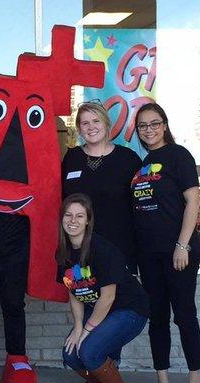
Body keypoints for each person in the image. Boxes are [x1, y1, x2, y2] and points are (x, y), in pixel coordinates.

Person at [132, 103, 200, 383]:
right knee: (157, 318)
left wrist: (182, 245)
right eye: (143, 126)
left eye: (154, 123)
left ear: (164, 125)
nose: (149, 130)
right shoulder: (143, 163)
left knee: (184, 316)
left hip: (178, 253)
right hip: (148, 256)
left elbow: (193, 201)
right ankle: (162, 382)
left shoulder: (178, 156)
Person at [57, 193, 149, 383]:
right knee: (70, 354)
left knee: (89, 351)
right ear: (61, 218)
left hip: (128, 309)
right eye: (68, 215)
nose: (73, 221)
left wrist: (87, 330)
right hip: (99, 310)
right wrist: (79, 325)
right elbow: (74, 292)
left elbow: (108, 297)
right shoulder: (64, 252)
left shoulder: (102, 249)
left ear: (88, 220)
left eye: (80, 216)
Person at [62, 101, 141, 275]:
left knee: (116, 300)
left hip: (118, 247)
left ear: (106, 123)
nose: (91, 127)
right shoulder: (71, 157)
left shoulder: (128, 159)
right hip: (79, 248)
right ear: (79, 128)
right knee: (81, 298)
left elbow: (142, 202)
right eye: (85, 123)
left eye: (96, 121)